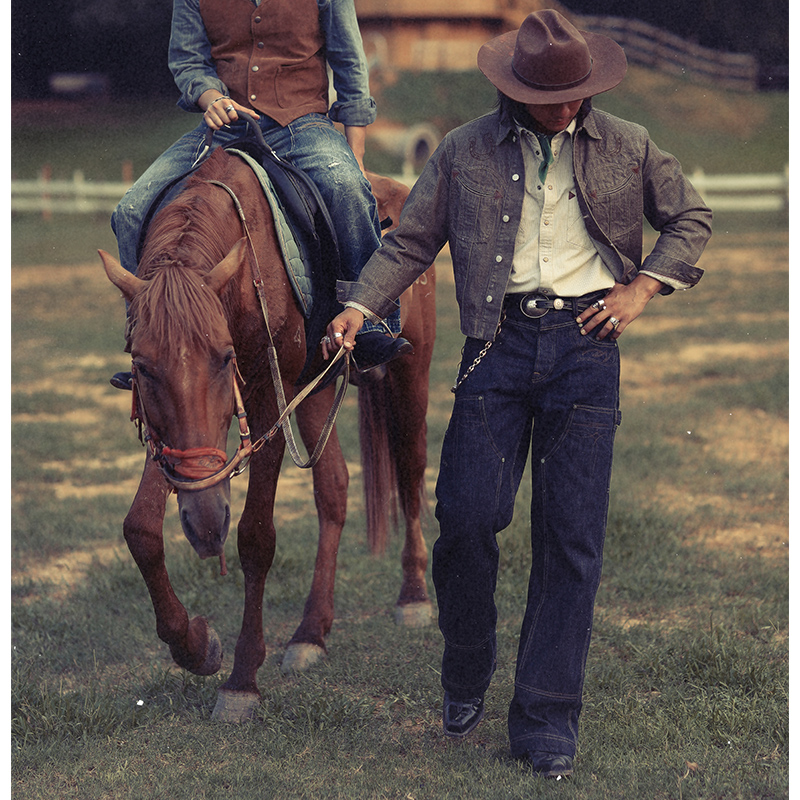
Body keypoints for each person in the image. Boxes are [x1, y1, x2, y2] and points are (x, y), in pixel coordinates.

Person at [323, 9, 711, 779]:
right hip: (496, 347)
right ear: (515, 87)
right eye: (550, 97)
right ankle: (468, 661)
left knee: (570, 539)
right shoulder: (466, 150)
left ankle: (543, 719)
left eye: (576, 95)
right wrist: (359, 304)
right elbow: (409, 240)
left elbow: (690, 217)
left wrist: (640, 290)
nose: (566, 109)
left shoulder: (627, 143)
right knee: (466, 519)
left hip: (587, 349)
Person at [109, 0, 410, 389]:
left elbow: (349, 61)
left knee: (345, 187)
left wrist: (355, 152)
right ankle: (150, 342)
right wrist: (210, 97)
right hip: (226, 128)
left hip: (301, 123)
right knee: (130, 210)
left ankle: (372, 323)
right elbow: (187, 60)